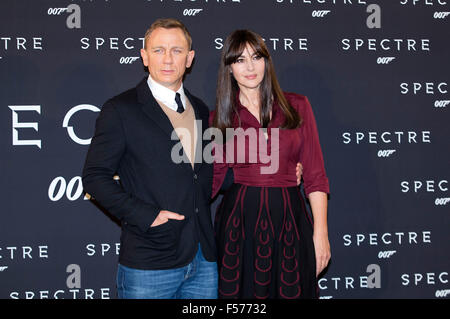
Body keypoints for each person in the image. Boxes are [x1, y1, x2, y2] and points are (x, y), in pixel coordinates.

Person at [82, 18, 219, 299]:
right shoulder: (120, 110)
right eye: (158, 50)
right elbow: (95, 177)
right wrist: (147, 216)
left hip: (204, 261)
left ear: (190, 58)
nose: (167, 59)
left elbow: (206, 174)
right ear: (144, 57)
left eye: (177, 50)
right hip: (150, 262)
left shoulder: (202, 110)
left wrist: (282, 168)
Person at [210, 29, 331, 299]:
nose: (250, 67)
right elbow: (210, 182)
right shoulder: (219, 120)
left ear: (267, 61)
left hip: (291, 219)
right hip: (238, 226)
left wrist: (320, 234)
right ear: (229, 68)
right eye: (239, 60)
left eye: (256, 57)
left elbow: (315, 175)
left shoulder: (297, 106)